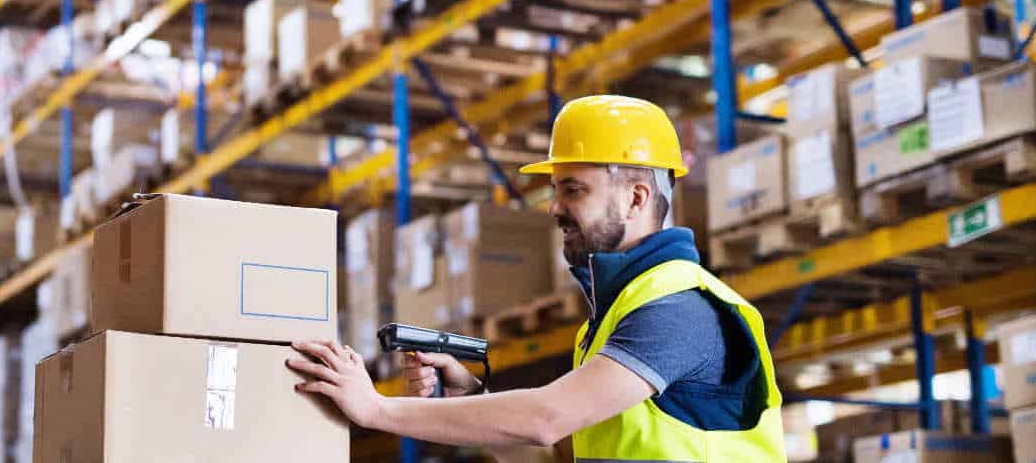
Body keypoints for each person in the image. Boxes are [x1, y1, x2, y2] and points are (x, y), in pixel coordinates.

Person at [287, 95, 785, 461]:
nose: (554, 207)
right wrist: (470, 402)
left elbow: (546, 419)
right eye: (555, 189)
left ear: (635, 197)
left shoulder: (680, 309)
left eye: (573, 189)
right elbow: (553, 457)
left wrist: (377, 411)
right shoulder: (612, 319)